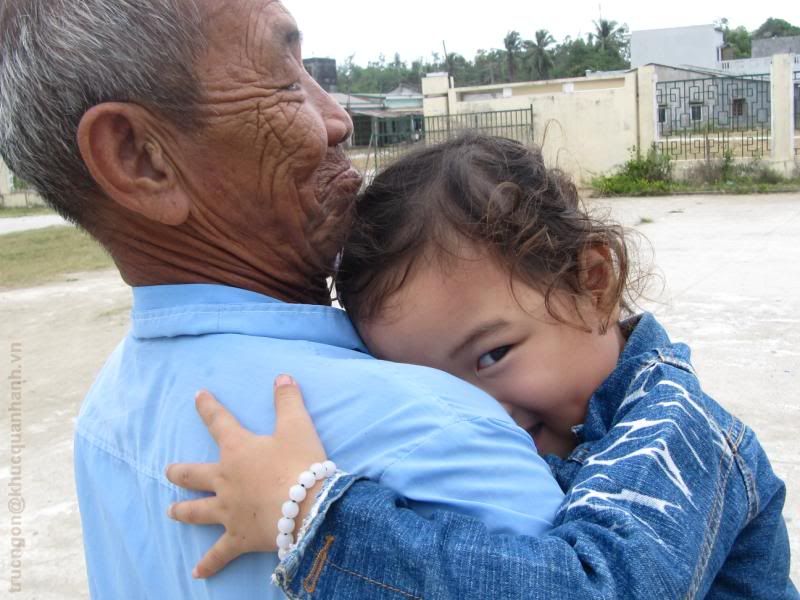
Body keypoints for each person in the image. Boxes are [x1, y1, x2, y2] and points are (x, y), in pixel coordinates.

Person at [0, 3, 565, 598]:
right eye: (286, 82)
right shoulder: (436, 435)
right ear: (139, 158)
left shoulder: (105, 418)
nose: (338, 118)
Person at [168, 135, 797, 599]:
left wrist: (312, 516)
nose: (477, 409)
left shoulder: (677, 434)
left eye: (492, 355)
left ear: (593, 281)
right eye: (435, 386)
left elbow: (592, 589)